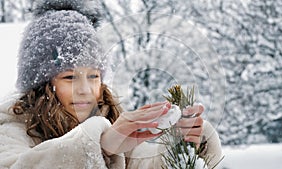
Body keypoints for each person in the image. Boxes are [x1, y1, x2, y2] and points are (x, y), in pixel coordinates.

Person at [0, 0, 222, 169]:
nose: (86, 90)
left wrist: (186, 143)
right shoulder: (11, 129)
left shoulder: (109, 119)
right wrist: (101, 145)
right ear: (40, 85)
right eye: (70, 77)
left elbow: (146, 165)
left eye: (94, 76)